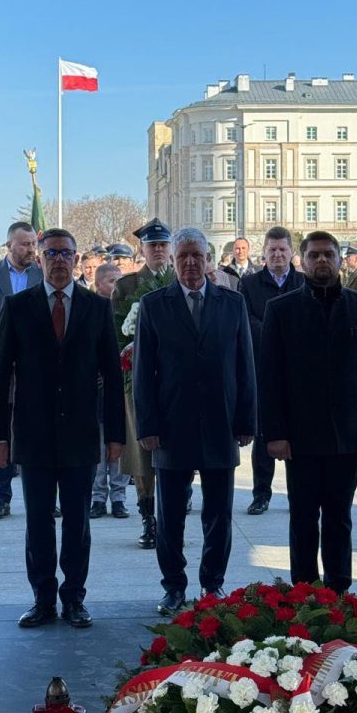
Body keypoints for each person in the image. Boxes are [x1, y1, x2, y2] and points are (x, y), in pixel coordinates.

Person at [0, 228, 125, 629]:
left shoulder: (96, 308)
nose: (59, 260)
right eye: (51, 254)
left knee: (78, 523)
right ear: (39, 259)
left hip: (81, 434)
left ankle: (75, 598)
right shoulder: (18, 307)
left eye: (66, 253)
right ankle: (43, 599)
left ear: (77, 259)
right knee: (38, 522)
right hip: (33, 435)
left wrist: (116, 436)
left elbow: (112, 376)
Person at [259, 230, 357, 590]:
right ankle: (304, 592)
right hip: (300, 437)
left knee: (339, 516)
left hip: (347, 433)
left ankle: (339, 591)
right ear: (301, 261)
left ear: (338, 260)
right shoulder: (281, 310)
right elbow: (270, 377)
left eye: (328, 255)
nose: (321, 261)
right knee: (303, 517)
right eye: (314, 255)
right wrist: (275, 433)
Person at [132, 226, 256, 615]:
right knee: (170, 515)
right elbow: (143, 371)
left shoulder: (232, 304)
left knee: (219, 514)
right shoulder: (154, 305)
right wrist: (147, 426)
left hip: (221, 423)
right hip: (172, 427)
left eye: (196, 256)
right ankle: (173, 586)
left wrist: (246, 420)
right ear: (172, 260)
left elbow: (245, 365)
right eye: (182, 255)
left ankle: (212, 585)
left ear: (208, 260)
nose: (189, 262)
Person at [111, 220, 174, 549]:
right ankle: (148, 516)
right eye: (153, 245)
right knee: (142, 452)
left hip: (176, 382)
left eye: (163, 244)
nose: (158, 250)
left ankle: (172, 515)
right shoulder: (127, 286)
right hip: (137, 378)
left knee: (176, 450)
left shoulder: (181, 280)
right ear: (143, 250)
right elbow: (116, 333)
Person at [0, 221, 42, 519]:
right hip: (2, 369)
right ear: (9, 245)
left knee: (37, 433)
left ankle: (42, 497)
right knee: (1, 432)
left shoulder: (41, 274)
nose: (31, 249)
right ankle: (1, 497)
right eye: (25, 244)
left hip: (37, 369)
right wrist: (4, 350)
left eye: (33, 244)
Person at [238, 226, 304, 515]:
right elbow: (245, 320)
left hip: (298, 372)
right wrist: (275, 334)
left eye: (282, 249)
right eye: (272, 250)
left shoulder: (303, 282)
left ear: (291, 252)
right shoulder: (249, 284)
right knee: (265, 433)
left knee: (298, 435)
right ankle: (261, 494)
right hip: (262, 369)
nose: (277, 254)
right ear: (263, 253)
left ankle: (298, 494)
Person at [90, 262, 129, 518]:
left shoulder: (126, 310)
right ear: (98, 284)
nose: (116, 286)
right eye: (111, 281)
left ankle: (119, 496)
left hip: (120, 387)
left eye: (119, 280)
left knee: (118, 443)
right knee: (98, 447)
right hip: (96, 388)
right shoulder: (91, 309)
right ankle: (97, 497)